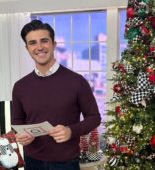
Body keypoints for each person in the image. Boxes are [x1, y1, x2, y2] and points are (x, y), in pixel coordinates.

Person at [11, 20, 101, 170]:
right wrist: (20, 135)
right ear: (27, 49)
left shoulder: (77, 81)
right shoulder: (20, 86)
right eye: (33, 43)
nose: (39, 47)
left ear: (54, 44)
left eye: (44, 41)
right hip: (32, 161)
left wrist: (71, 131)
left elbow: (94, 118)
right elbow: (17, 120)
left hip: (66, 162)